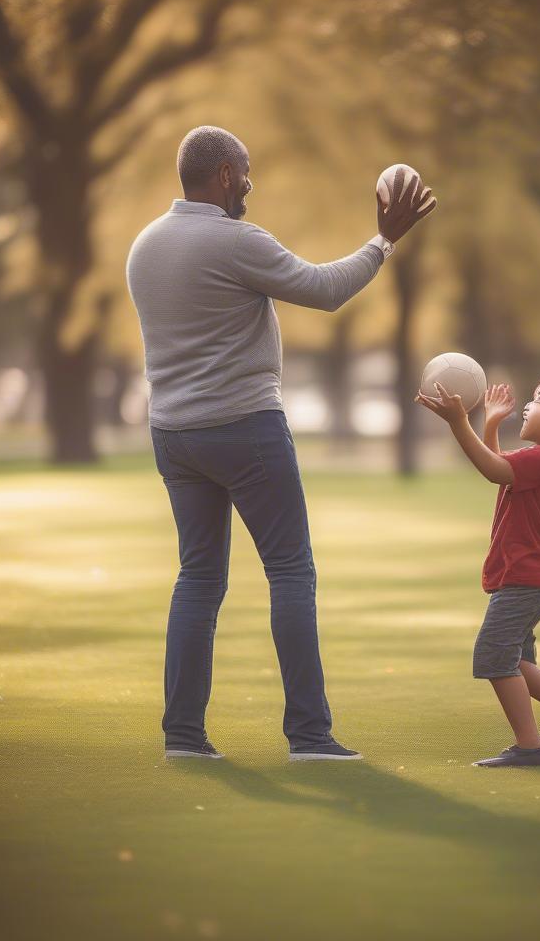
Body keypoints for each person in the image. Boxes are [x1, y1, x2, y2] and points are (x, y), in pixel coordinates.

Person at [126, 126, 436, 762]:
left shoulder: (146, 244)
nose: (249, 184)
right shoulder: (235, 241)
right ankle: (310, 736)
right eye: (244, 173)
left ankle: (183, 736)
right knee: (290, 570)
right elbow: (323, 290)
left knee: (198, 578)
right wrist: (384, 241)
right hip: (244, 429)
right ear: (221, 177)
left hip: (174, 435)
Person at [414, 372, 540, 768]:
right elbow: (500, 468)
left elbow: (493, 470)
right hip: (531, 576)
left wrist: (459, 423)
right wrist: (489, 423)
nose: (527, 404)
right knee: (515, 658)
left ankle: (530, 746)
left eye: (539, 399)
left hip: (525, 577)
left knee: (493, 655)